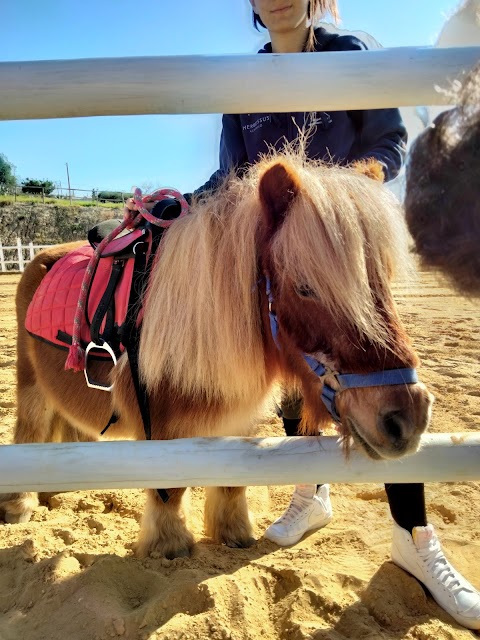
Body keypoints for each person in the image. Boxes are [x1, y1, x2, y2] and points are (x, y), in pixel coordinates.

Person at [133, 0, 480, 629]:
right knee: (294, 369)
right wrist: (182, 205)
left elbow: (387, 141)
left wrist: (357, 184)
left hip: (346, 253)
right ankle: (309, 491)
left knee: (384, 365)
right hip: (278, 262)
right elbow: (234, 171)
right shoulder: (245, 82)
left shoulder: (349, 56)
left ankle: (416, 536)